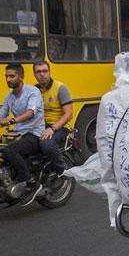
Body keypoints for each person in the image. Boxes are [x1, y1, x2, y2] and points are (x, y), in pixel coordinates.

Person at [0, 63, 45, 206]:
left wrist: (13, 120)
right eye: (6, 76)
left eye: (12, 76)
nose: (8, 79)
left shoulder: (32, 91)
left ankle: (31, 183)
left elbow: (31, 113)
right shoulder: (10, 96)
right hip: (17, 134)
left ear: (21, 77)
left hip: (34, 134)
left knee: (9, 150)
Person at [33, 61, 73, 191]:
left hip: (59, 126)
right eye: (38, 72)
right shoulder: (34, 90)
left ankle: (62, 172)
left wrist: (52, 128)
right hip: (40, 126)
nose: (42, 74)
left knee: (46, 144)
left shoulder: (60, 88)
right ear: (34, 74)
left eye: (45, 71)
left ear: (49, 72)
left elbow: (68, 114)